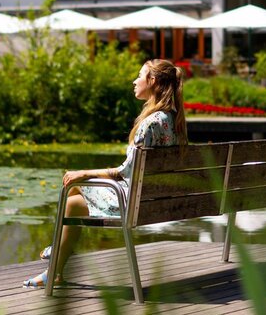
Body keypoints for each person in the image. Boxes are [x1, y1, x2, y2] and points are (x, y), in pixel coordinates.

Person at [22, 59, 187, 288]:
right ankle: (55, 266)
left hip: (134, 202)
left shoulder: (151, 123)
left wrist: (84, 172)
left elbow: (126, 172)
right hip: (154, 201)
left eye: (140, 76)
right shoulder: (173, 121)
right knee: (74, 199)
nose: (134, 81)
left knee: (73, 190)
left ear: (152, 81)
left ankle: (56, 256)